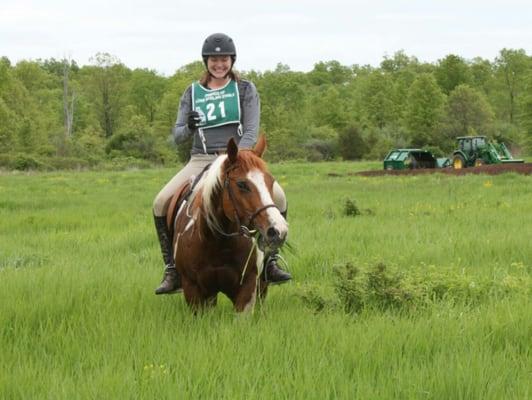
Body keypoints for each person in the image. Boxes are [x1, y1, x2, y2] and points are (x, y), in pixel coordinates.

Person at [152, 33, 292, 295]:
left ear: (232, 60)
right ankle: (172, 269)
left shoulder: (245, 90)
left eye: (224, 59)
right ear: (206, 61)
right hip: (201, 158)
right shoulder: (192, 92)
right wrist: (189, 126)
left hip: (238, 159)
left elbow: (251, 129)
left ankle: (271, 260)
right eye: (214, 59)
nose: (219, 64)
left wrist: (238, 156)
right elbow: (178, 133)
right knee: (160, 202)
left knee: (279, 198)